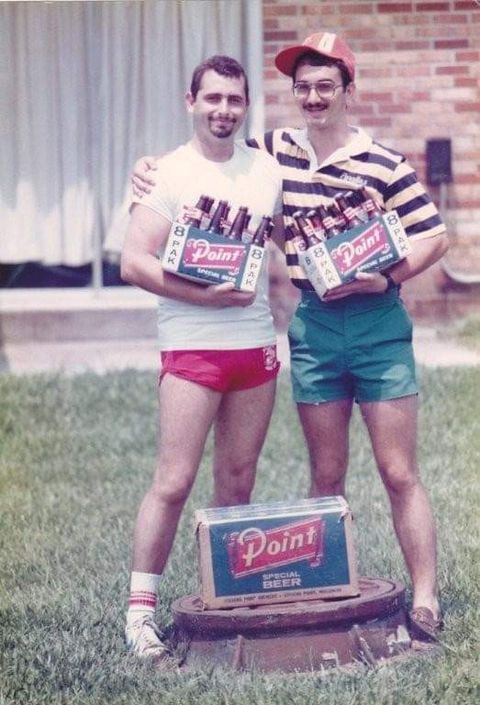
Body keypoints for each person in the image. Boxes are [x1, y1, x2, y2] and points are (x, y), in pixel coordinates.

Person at [131, 32, 448, 644]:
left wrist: (388, 273)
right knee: (325, 470)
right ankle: (325, 592)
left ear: (348, 92)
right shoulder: (274, 151)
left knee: (397, 470)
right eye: (302, 87)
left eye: (325, 86)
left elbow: (433, 235)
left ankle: (427, 601)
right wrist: (147, 167)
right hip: (314, 323)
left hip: (379, 321)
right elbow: (209, 151)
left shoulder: (383, 160)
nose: (313, 97)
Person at [121, 54, 282, 668]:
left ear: (246, 105)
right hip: (192, 345)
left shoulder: (266, 171)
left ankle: (227, 598)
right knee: (174, 480)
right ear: (191, 102)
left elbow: (290, 237)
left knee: (237, 481)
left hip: (255, 344)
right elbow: (135, 261)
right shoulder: (167, 171)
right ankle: (140, 613)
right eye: (212, 98)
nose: (223, 110)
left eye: (234, 100)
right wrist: (201, 295)